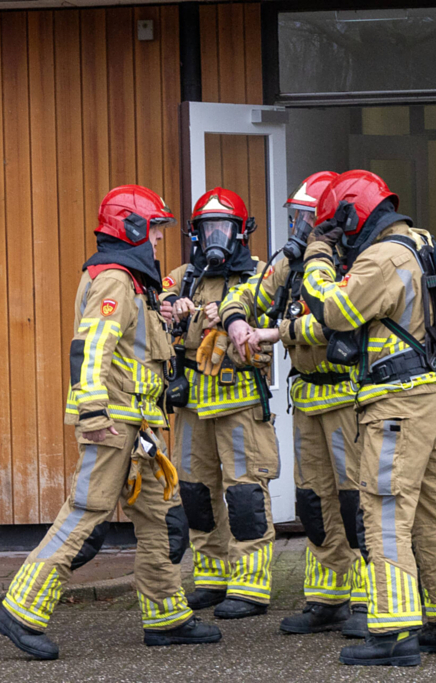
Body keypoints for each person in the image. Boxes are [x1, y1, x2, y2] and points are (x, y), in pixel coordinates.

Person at [0, 186, 220, 660]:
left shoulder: (134, 283)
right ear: (132, 228)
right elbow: (91, 346)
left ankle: (166, 617)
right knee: (85, 510)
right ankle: (21, 610)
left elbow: (140, 347)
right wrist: (93, 413)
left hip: (139, 424)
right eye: (155, 229)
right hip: (113, 420)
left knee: (159, 516)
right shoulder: (115, 279)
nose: (159, 240)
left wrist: (177, 317)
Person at [299, 170, 436, 667]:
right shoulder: (418, 244)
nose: (339, 237)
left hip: (398, 403)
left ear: (353, 215)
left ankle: (394, 633)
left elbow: (336, 310)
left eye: (338, 226)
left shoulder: (383, 256)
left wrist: (316, 257)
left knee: (384, 511)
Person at [220, 172, 369, 638]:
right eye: (296, 216)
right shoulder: (292, 262)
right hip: (307, 399)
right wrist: (237, 322)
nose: (300, 226)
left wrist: (275, 332)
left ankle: (369, 601)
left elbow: (333, 324)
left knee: (355, 503)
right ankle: (327, 600)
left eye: (307, 216)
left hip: (348, 396)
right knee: (313, 502)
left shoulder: (355, 260)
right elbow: (249, 293)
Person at [161, 187, 279, 620]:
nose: (215, 236)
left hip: (241, 401)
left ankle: (251, 585)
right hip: (192, 403)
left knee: (245, 494)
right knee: (194, 493)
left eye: (223, 227)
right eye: (208, 227)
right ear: (196, 232)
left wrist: (225, 318)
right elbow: (160, 300)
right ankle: (211, 579)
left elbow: (268, 328)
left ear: (241, 232)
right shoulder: (184, 273)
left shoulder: (261, 277)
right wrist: (176, 307)